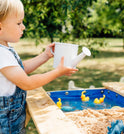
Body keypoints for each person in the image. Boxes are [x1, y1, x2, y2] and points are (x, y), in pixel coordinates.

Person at [0, 0, 78, 133]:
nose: (23, 27)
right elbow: (27, 83)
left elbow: (21, 69)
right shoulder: (2, 53)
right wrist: (57, 72)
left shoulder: (6, 49)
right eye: (19, 23)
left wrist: (45, 55)